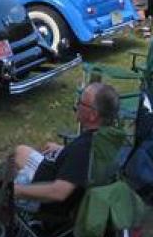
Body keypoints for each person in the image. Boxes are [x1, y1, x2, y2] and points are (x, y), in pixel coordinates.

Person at [13, 83, 118, 211]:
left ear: (93, 115)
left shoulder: (82, 149)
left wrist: (17, 190)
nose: (76, 106)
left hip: (45, 197)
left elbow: (58, 193)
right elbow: (82, 163)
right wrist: (63, 150)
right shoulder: (105, 138)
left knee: (0, 187)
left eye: (81, 103)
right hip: (56, 172)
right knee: (21, 151)